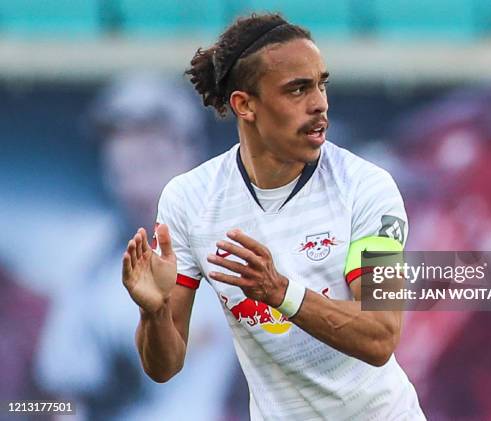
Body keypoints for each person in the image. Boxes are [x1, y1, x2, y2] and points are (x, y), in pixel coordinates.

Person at [122, 13, 425, 420]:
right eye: (297, 90)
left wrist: (280, 292)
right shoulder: (189, 200)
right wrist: (153, 311)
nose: (319, 103)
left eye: (321, 84)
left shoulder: (368, 188)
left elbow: (382, 334)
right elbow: (164, 366)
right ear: (245, 105)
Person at [35, 73, 240, 421]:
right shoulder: (91, 272)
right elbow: (59, 398)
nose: (137, 184)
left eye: (152, 160)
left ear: (188, 154)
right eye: (124, 167)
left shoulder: (241, 247)